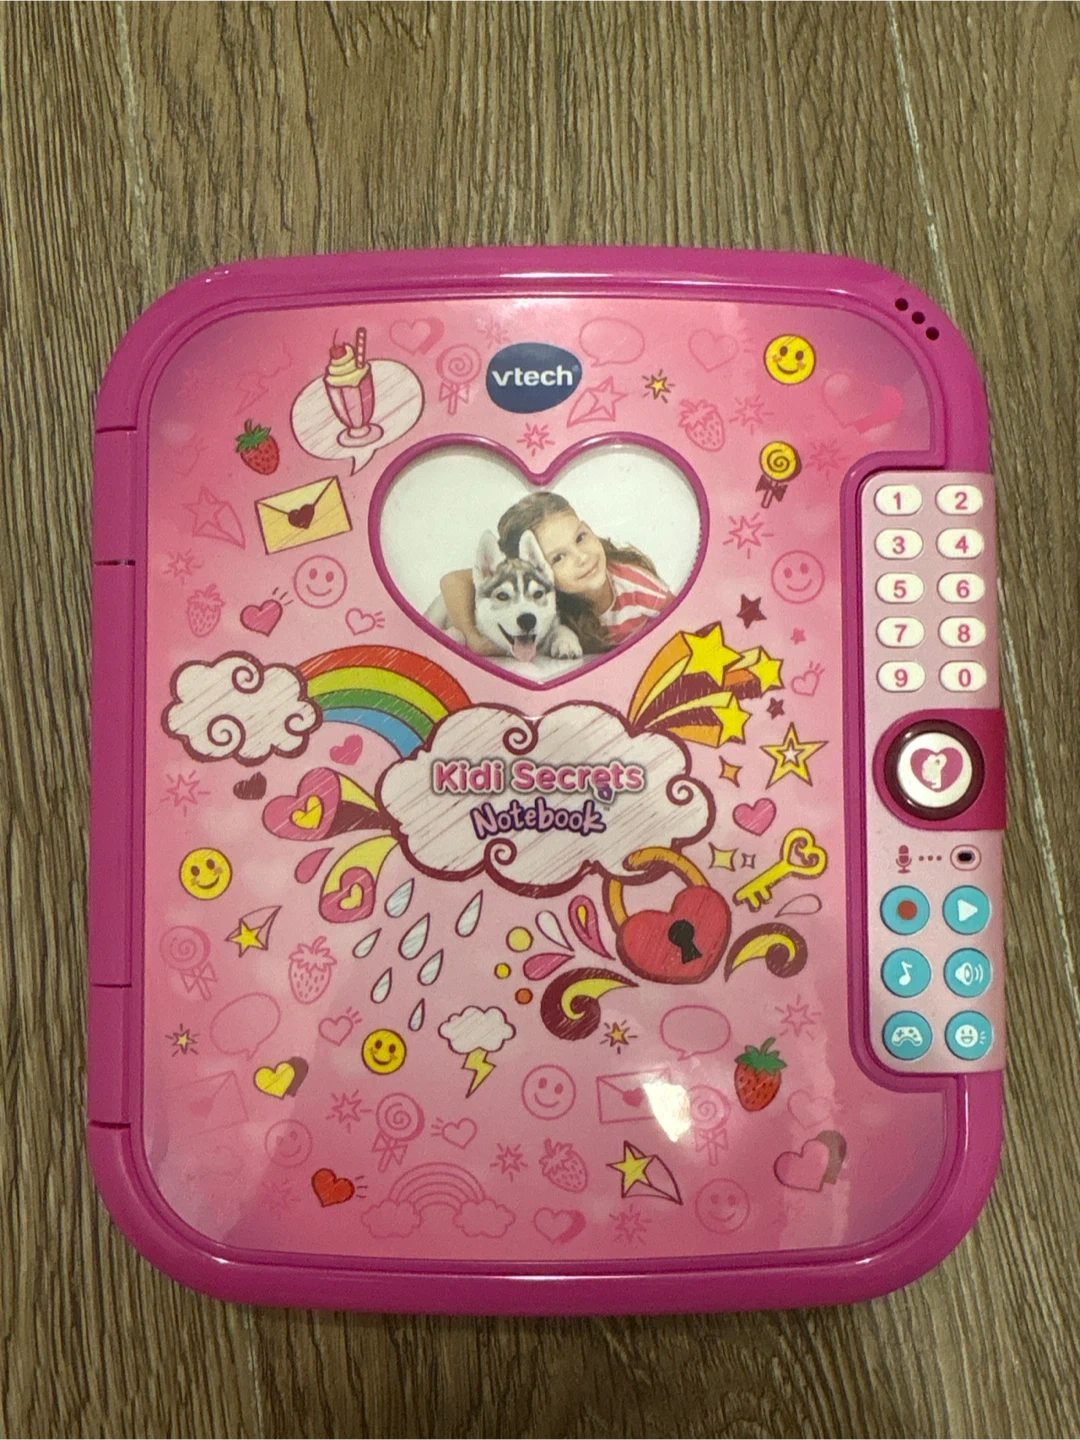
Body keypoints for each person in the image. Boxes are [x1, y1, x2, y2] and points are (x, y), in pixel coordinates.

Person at [439, 492, 673, 656]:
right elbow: (453, 581)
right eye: (559, 557)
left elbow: (683, 623)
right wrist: (473, 638)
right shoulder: (541, 590)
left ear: (589, 528)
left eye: (580, 537)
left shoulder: (638, 587)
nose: (581, 557)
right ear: (536, 567)